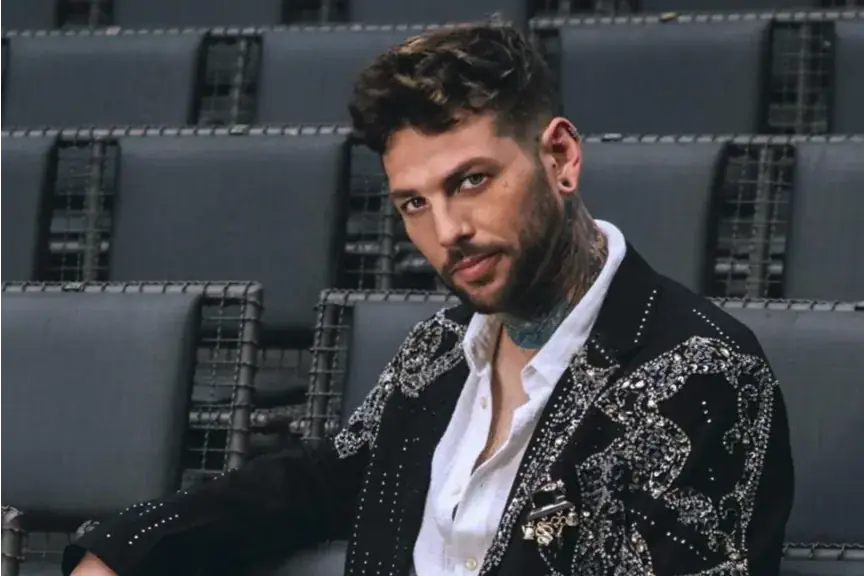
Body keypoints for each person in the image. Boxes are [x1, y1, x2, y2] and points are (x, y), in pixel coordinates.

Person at [65, 23, 793, 576]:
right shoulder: (441, 348)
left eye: (471, 181)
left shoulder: (701, 370)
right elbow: (320, 482)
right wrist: (123, 550)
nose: (447, 232)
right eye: (414, 203)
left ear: (560, 157)